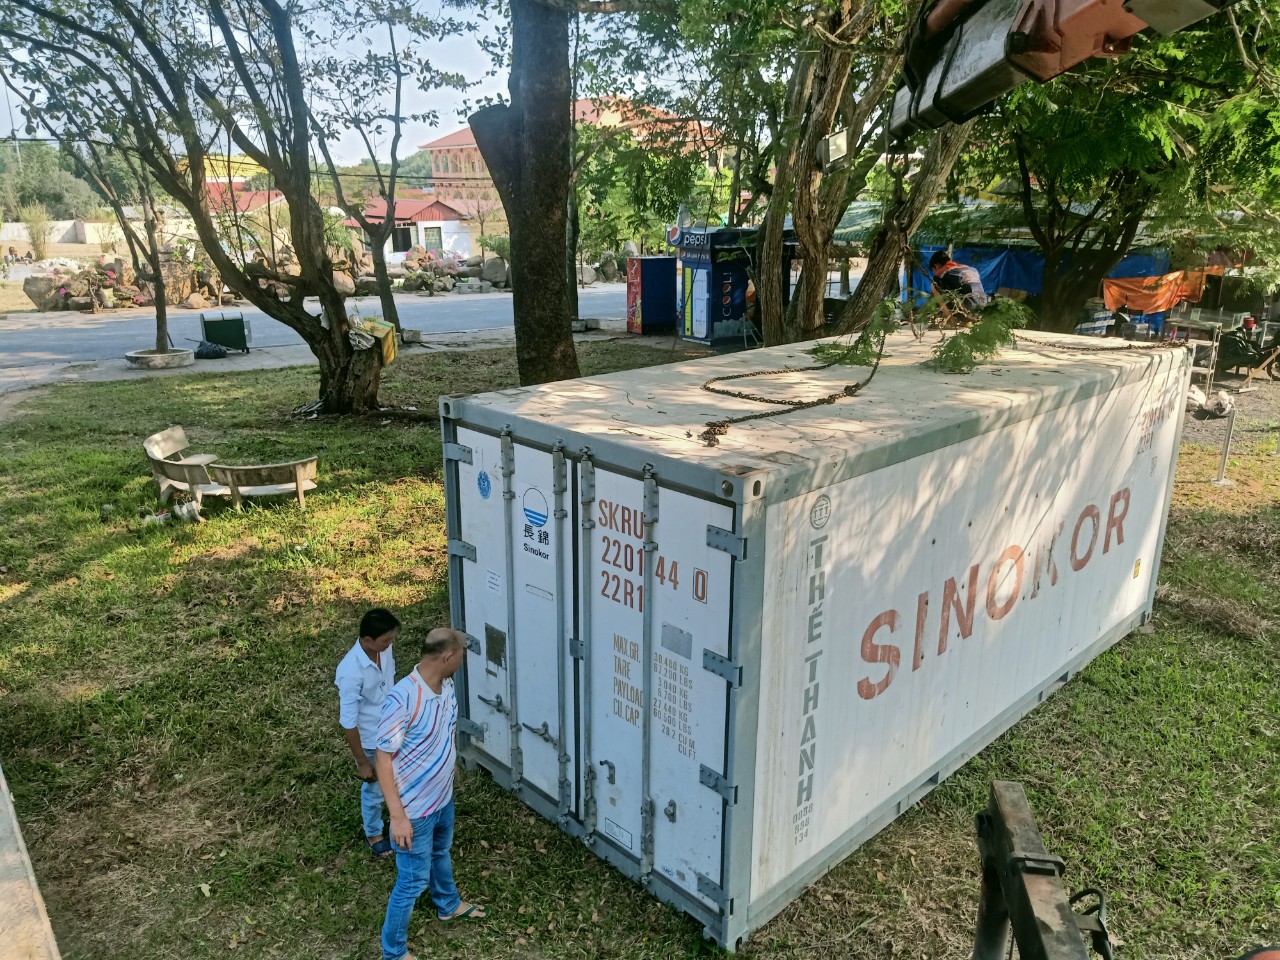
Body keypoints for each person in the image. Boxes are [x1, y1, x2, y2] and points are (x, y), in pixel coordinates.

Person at [377, 627, 488, 960]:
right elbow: (382, 758)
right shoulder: (405, 698)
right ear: (448, 657)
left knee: (441, 852)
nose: (463, 660)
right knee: (411, 882)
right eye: (462, 655)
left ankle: (448, 905)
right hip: (414, 810)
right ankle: (392, 953)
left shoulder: (447, 686)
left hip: (442, 799)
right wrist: (397, 817)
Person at [334, 607, 400, 859]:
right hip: (372, 740)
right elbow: (348, 723)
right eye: (386, 640)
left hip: (393, 729)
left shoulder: (384, 648)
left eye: (392, 639)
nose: (390, 644)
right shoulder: (350, 672)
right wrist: (362, 762)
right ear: (367, 640)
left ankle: (398, 819)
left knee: (397, 779)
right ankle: (374, 833)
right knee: (374, 790)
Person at [929, 249, 988, 319]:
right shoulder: (970, 269)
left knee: (934, 286)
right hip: (983, 308)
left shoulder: (942, 272)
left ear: (937, 266)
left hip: (966, 310)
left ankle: (949, 319)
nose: (934, 273)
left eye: (933, 270)